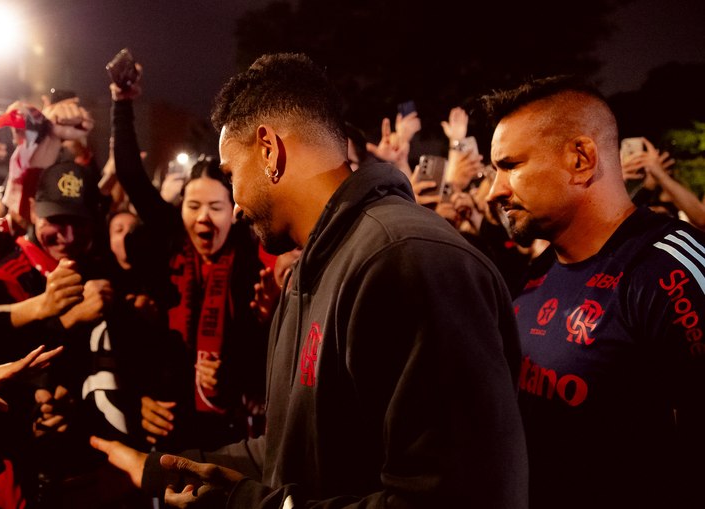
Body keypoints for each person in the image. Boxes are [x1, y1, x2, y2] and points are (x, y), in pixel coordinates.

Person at [92, 52, 527, 509]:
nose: (235, 205)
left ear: (268, 151)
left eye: (230, 174)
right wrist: (165, 468)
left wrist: (243, 504)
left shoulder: (407, 260)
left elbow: (454, 498)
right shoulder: (315, 266)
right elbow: (293, 453)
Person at [481, 75, 705, 508]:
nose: (496, 190)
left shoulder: (667, 269)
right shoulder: (540, 269)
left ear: (581, 158)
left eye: (510, 166)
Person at [110, 66, 270, 453]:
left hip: (229, 428)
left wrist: (233, 375)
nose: (202, 217)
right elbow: (131, 176)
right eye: (193, 205)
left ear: (233, 210)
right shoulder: (167, 242)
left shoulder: (251, 261)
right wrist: (121, 104)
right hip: (168, 419)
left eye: (215, 206)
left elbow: (260, 353)